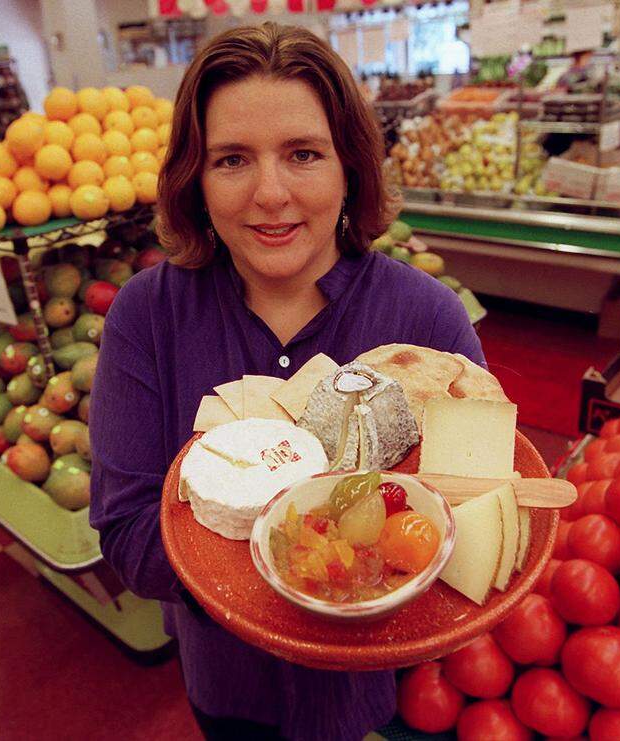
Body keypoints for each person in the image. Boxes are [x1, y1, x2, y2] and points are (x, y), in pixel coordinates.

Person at [89, 23, 485, 741]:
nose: (270, 193)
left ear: (349, 168)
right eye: (232, 159)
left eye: (303, 154)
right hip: (228, 690)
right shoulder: (146, 317)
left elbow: (478, 505)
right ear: (195, 178)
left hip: (393, 698)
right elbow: (128, 536)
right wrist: (298, 551)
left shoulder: (426, 315)